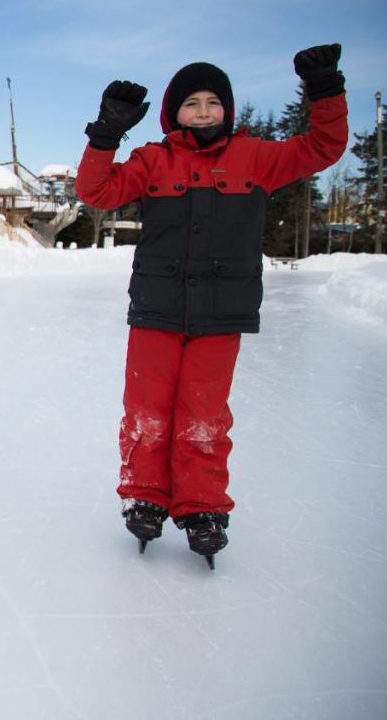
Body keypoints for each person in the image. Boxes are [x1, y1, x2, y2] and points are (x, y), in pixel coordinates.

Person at [75, 44, 348, 565]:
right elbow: (97, 191)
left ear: (228, 109)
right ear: (172, 112)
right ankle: (146, 497)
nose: (203, 112)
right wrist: (105, 133)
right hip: (157, 305)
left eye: (213, 103)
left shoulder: (257, 158)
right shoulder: (153, 160)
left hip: (221, 311)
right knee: (148, 411)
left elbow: (323, 146)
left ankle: (202, 506)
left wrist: (326, 91)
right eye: (191, 103)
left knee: (204, 413)